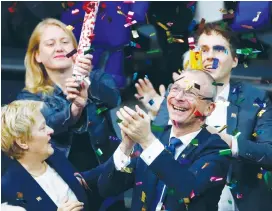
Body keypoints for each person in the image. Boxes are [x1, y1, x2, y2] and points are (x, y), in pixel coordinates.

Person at [134, 23, 272, 211]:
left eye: (219, 50)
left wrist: (230, 143)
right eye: (203, 50)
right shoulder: (175, 93)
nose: (209, 57)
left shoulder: (254, 99)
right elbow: (156, 146)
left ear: (234, 60)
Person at [16, 18, 123, 211]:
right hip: (62, 182)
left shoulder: (97, 76)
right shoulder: (28, 96)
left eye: (65, 42)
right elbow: (47, 124)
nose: (59, 48)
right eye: (50, 44)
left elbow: (114, 99)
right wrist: (74, 110)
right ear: (37, 55)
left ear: (77, 49)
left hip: (105, 175)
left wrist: (86, 77)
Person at [98, 70, 230, 211]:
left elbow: (189, 191)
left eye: (190, 93)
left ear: (209, 108)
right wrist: (126, 146)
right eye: (175, 89)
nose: (178, 97)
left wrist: (147, 141)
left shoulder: (216, 150)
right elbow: (108, 189)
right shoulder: (156, 137)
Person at [1, 100, 90, 211]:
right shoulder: (8, 189)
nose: (51, 130)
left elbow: (82, 180)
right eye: (42, 128)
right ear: (22, 142)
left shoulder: (54, 155)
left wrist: (119, 152)